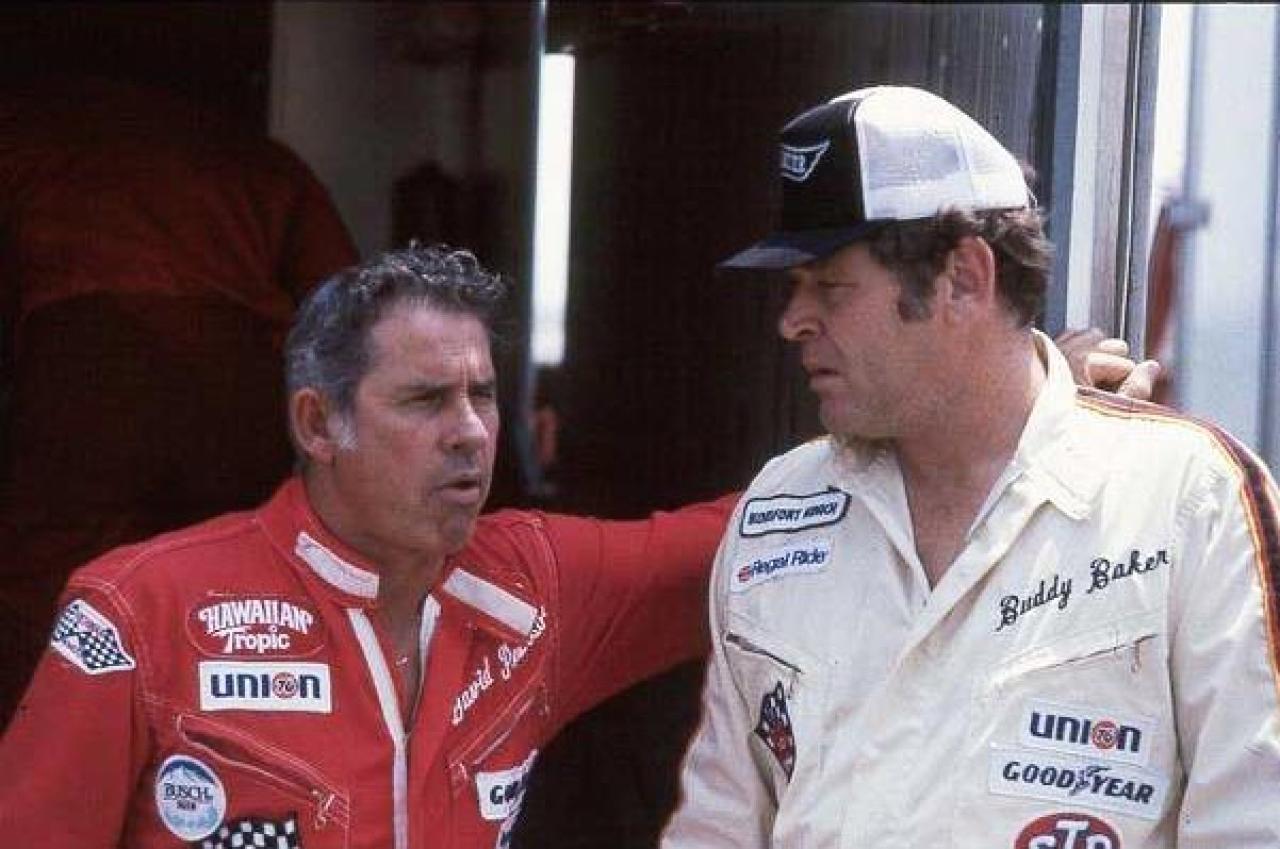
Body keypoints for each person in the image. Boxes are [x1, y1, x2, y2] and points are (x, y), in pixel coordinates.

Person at [661, 86, 1279, 849]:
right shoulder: (776, 510)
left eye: (830, 286)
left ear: (963, 277)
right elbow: (717, 829)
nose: (793, 321)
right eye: (794, 289)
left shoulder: (1190, 500)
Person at [0, 245, 738, 848]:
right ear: (318, 424)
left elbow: (757, 537)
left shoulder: (533, 582)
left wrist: (824, 390)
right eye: (426, 400)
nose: (470, 432)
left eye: (481, 394)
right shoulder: (134, 612)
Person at [0, 75, 360, 721]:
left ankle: (50, 752)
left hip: (86, 375)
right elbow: (345, 313)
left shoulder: (32, 139)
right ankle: (210, 758)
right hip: (236, 392)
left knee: (45, 598)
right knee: (227, 595)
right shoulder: (260, 159)